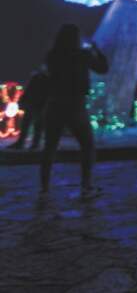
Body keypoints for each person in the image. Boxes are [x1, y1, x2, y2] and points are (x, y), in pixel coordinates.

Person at [40, 24, 108, 200]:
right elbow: (103, 68)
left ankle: (44, 188)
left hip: (54, 104)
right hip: (75, 104)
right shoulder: (82, 55)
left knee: (50, 147)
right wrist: (97, 50)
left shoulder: (52, 55)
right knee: (87, 145)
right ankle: (86, 186)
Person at [10, 65, 51, 150]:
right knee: (27, 123)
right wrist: (22, 100)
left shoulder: (47, 78)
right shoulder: (36, 77)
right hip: (32, 103)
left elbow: (47, 93)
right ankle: (23, 143)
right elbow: (28, 89)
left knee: (37, 124)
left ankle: (33, 144)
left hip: (39, 104)